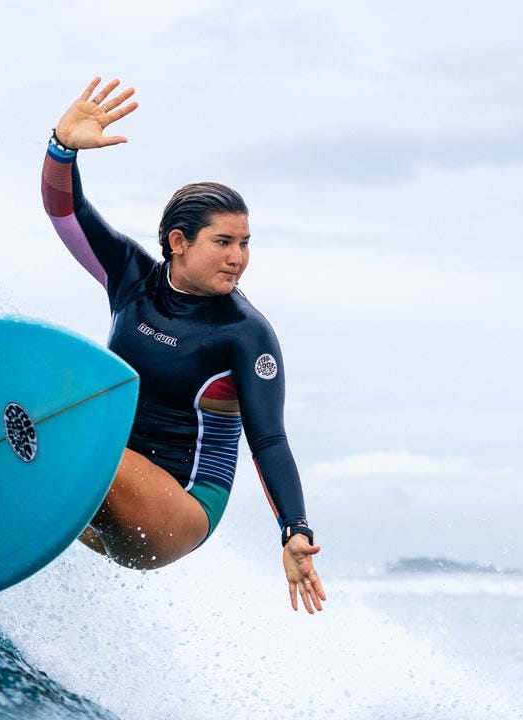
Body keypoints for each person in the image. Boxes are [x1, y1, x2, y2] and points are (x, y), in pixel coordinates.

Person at [42, 77, 327, 614]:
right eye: (223, 242)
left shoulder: (245, 333)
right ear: (178, 242)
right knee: (32, 418)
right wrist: (62, 149)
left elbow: (268, 440)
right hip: (107, 477)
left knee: (58, 431)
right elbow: (65, 213)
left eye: (244, 244)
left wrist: (294, 529)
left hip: (180, 507)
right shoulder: (132, 279)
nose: (238, 258)